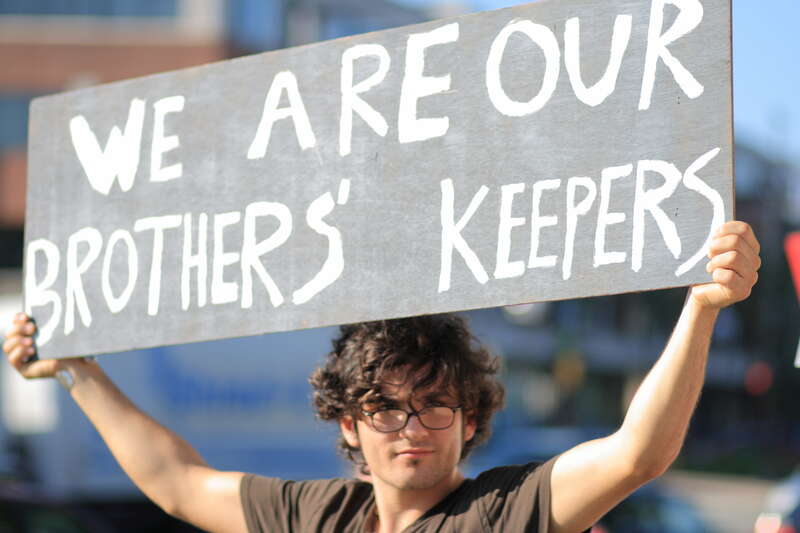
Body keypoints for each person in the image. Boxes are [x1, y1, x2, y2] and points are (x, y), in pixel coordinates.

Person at [3, 220, 760, 533]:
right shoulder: (318, 514)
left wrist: (701, 307)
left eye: (434, 405)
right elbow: (174, 480)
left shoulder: (498, 513)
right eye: (386, 407)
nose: (410, 427)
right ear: (348, 422)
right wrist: (75, 369)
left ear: (470, 419)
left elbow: (638, 454)